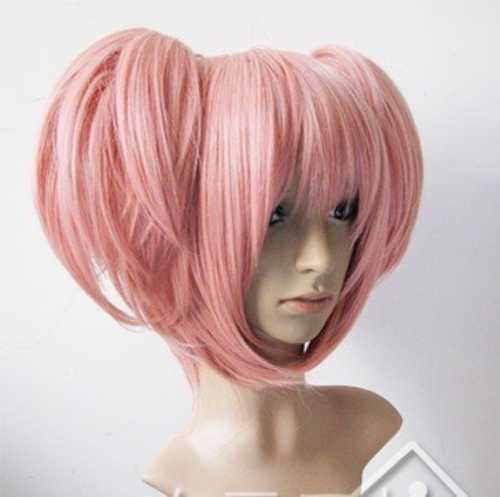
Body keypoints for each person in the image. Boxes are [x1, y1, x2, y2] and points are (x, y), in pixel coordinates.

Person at [32, 28, 424, 497]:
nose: (321, 258)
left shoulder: (372, 426)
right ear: (189, 228)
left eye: (341, 212)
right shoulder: (178, 477)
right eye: (275, 216)